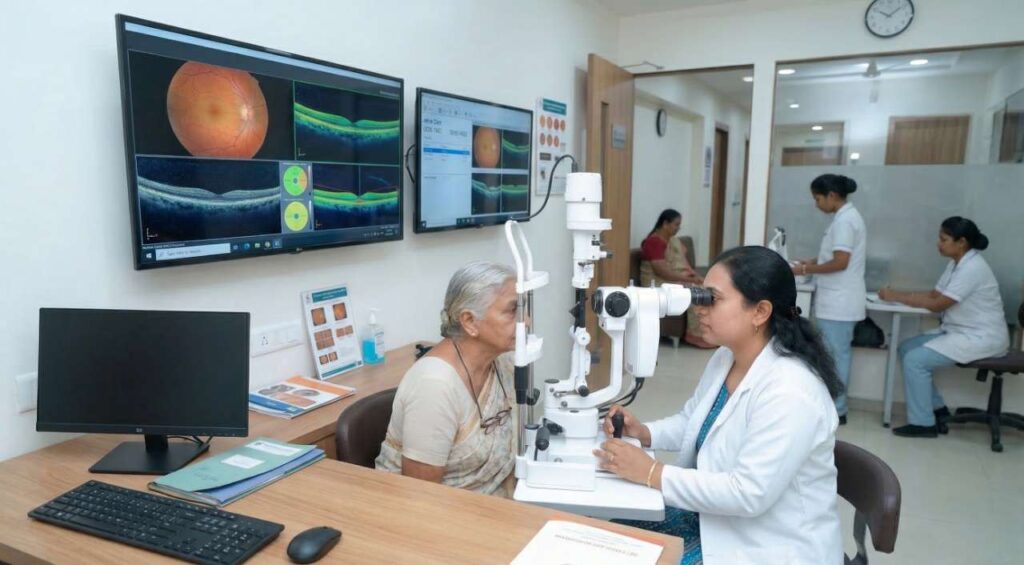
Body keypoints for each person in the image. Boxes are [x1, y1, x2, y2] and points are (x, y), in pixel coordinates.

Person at [594, 246, 843, 565]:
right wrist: (644, 433)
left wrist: (652, 472)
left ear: (760, 311)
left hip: (765, 544)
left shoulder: (791, 390)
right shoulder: (727, 357)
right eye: (701, 296)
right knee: (607, 538)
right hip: (715, 520)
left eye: (713, 299)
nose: (700, 308)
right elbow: (693, 421)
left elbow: (748, 493)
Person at [375, 261, 517, 495]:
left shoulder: (504, 362)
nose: (526, 321)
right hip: (439, 510)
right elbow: (422, 496)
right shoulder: (434, 386)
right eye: (512, 311)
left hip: (498, 503)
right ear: (469, 321)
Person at [878, 217, 1009, 438]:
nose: (938, 244)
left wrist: (896, 296)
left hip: (981, 337)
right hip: (961, 331)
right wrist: (897, 296)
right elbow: (934, 295)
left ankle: (923, 424)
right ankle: (938, 410)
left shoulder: (973, 268)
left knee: (915, 360)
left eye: (944, 239)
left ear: (961, 242)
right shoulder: (956, 263)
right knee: (907, 348)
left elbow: (939, 304)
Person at [791, 174, 866, 425]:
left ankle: (837, 408)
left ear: (831, 196)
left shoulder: (845, 222)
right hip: (837, 300)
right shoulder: (844, 218)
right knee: (833, 354)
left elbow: (841, 262)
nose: (817, 204)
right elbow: (834, 256)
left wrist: (803, 270)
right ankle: (834, 405)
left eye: (818, 199)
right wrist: (812, 261)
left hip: (840, 303)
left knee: (835, 356)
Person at [640, 208, 711, 348]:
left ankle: (708, 333)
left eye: (679, 225)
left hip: (673, 280)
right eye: (676, 224)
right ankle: (697, 336)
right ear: (665, 224)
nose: (678, 228)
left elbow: (682, 265)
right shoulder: (654, 242)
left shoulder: (672, 241)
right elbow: (662, 272)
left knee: (707, 288)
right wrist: (690, 280)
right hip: (657, 283)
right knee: (696, 292)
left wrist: (694, 277)